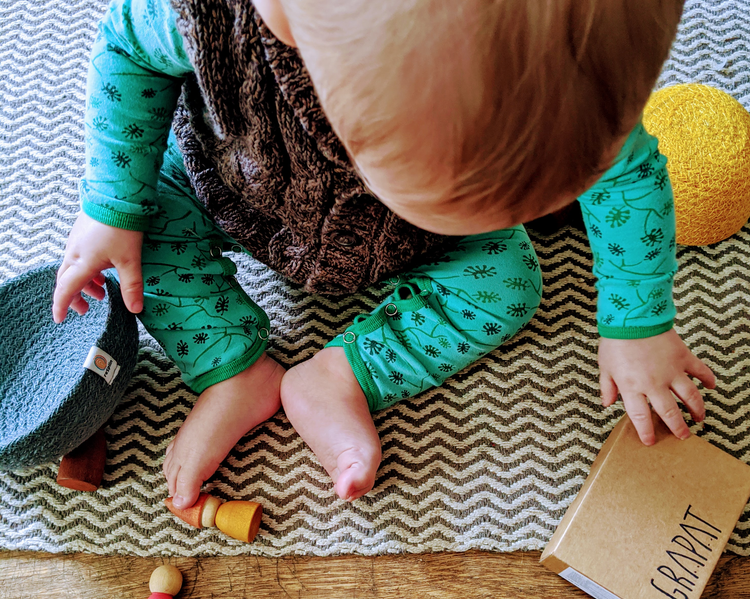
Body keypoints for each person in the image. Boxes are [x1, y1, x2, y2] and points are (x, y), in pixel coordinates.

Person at [52, 0, 715, 510]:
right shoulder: (208, 19)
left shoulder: (574, 79)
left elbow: (626, 174)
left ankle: (339, 375)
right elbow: (124, 53)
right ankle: (231, 369)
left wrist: (640, 324)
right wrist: (108, 205)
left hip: (399, 240)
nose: (527, 221)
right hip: (238, 190)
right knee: (141, 229)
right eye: (470, 192)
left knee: (509, 279)